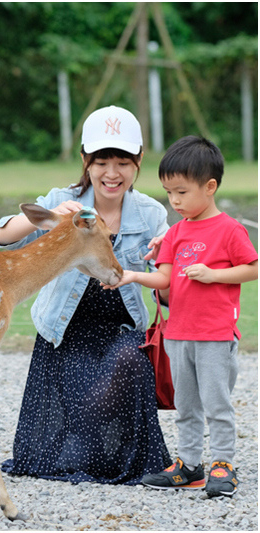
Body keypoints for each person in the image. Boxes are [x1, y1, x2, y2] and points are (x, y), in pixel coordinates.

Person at [0, 105, 172, 485]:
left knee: (131, 362)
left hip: (121, 328)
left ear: (138, 162)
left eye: (122, 161)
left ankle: (86, 442)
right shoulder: (64, 198)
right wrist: (52, 214)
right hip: (65, 330)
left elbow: (167, 283)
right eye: (102, 161)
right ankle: (83, 446)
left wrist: (173, 267)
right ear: (86, 162)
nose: (111, 173)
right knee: (66, 430)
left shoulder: (151, 214)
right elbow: (1, 238)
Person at [103, 136, 258, 497]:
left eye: (181, 192)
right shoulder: (174, 232)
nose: (173, 201)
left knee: (217, 403)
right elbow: (164, 279)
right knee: (186, 404)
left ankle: (223, 464)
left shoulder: (230, 229)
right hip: (179, 335)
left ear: (210, 186)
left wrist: (214, 275)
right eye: (168, 192)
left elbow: (252, 268)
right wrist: (132, 275)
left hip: (216, 335)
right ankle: (189, 466)